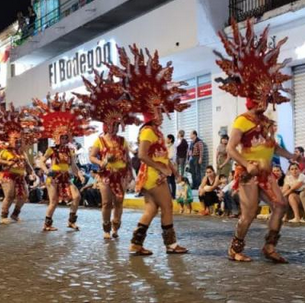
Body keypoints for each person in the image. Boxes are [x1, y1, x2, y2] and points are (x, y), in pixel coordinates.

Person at [215, 18, 301, 263]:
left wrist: (290, 156)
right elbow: (231, 148)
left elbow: (273, 147)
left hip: (266, 174)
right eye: (261, 97)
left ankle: (269, 247)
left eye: (267, 96)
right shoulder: (242, 121)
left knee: (281, 205)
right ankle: (235, 248)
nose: (265, 101)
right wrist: (247, 164)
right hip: (248, 173)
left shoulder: (266, 123)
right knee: (249, 213)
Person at [108, 45, 188, 256]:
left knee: (151, 209)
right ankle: (171, 245)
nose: (162, 113)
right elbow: (143, 156)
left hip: (154, 174)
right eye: (158, 109)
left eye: (161, 109)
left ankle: (135, 244)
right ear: (151, 112)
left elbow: (161, 156)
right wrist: (162, 170)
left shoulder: (156, 132)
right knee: (168, 206)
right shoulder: (148, 132)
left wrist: (175, 172)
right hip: (153, 176)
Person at [76, 73, 137, 240]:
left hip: (121, 176)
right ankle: (106, 229)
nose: (114, 128)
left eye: (117, 125)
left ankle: (116, 227)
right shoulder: (100, 140)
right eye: (112, 125)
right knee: (106, 203)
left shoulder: (123, 141)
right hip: (105, 175)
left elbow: (128, 159)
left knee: (119, 202)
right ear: (106, 125)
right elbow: (91, 157)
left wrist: (131, 176)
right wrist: (101, 161)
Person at [32, 95, 92, 232]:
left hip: (66, 177)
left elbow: (73, 166)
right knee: (53, 202)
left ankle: (71, 221)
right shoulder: (51, 149)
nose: (65, 139)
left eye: (66, 137)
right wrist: (46, 171)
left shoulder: (71, 150)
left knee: (77, 197)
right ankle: (47, 224)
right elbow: (41, 162)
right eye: (62, 137)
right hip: (53, 177)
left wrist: (80, 175)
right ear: (57, 138)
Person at [0, 107, 34, 224]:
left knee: (24, 195)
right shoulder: (5, 151)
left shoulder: (22, 152)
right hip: (8, 175)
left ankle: (15, 214)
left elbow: (27, 164)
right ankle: (4, 215)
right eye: (15, 139)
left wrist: (33, 173)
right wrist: (7, 162)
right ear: (9, 139)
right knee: (10, 195)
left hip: (20, 176)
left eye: (19, 139)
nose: (17, 141)